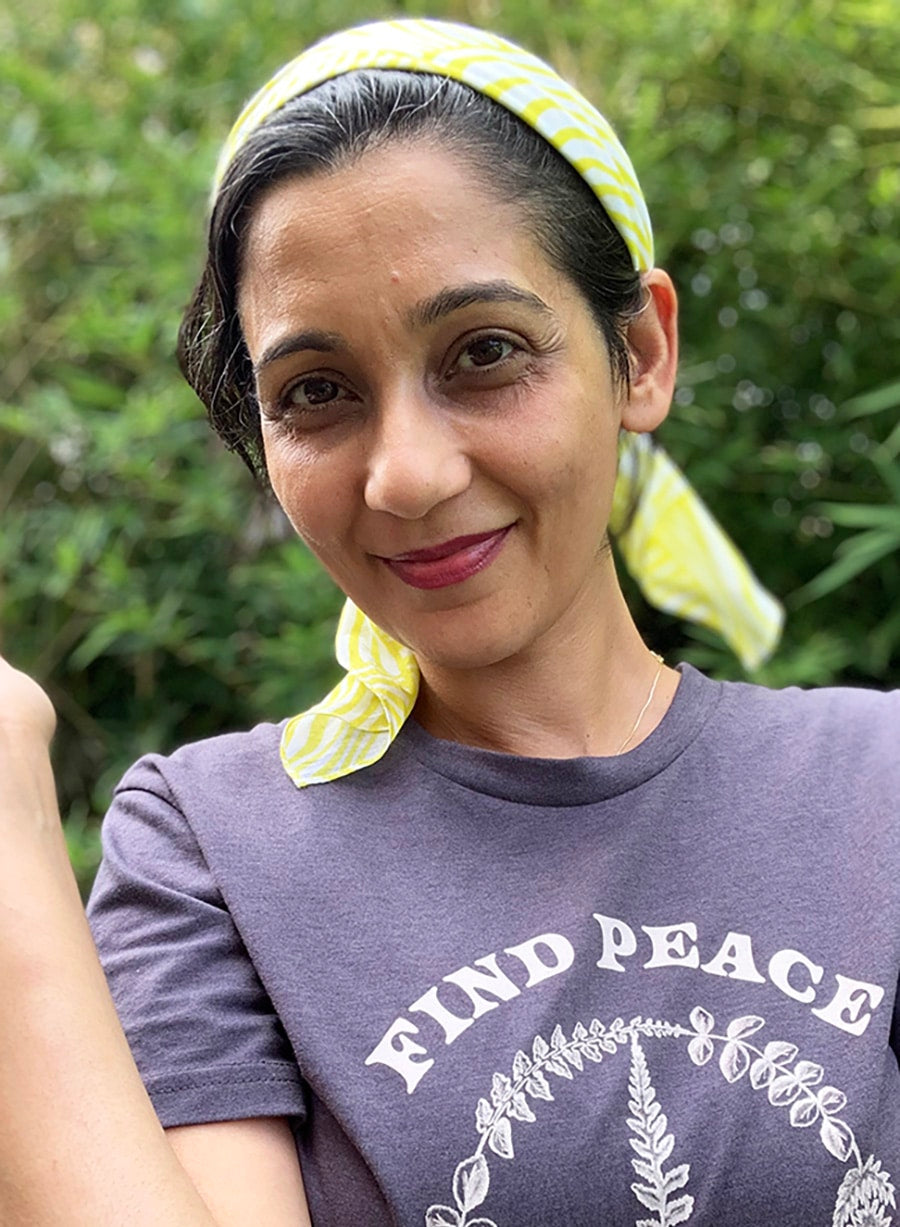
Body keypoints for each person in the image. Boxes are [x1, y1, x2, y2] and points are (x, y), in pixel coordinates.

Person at [0, 17, 897, 1227]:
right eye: (316, 392)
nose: (406, 476)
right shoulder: (211, 849)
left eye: (484, 352)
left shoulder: (876, 782)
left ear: (639, 352)